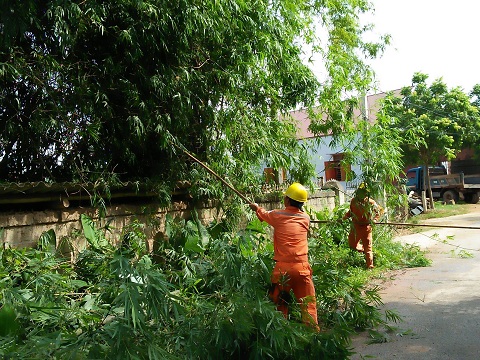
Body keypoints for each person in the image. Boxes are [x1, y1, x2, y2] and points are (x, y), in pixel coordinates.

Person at [249, 182, 318, 328]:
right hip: (302, 269)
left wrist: (256, 208)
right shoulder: (306, 218)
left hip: (282, 270)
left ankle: (282, 336)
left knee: (279, 306)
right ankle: (313, 337)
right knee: (308, 307)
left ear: (287, 200)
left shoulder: (277, 215)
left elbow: (264, 214)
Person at [343, 183, 384, 269]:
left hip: (366, 227)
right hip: (355, 227)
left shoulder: (370, 202)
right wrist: (344, 218)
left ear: (366, 193)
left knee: (368, 247)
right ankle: (362, 250)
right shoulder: (354, 201)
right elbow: (351, 212)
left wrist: (375, 220)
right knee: (352, 244)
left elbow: (380, 211)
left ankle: (370, 265)